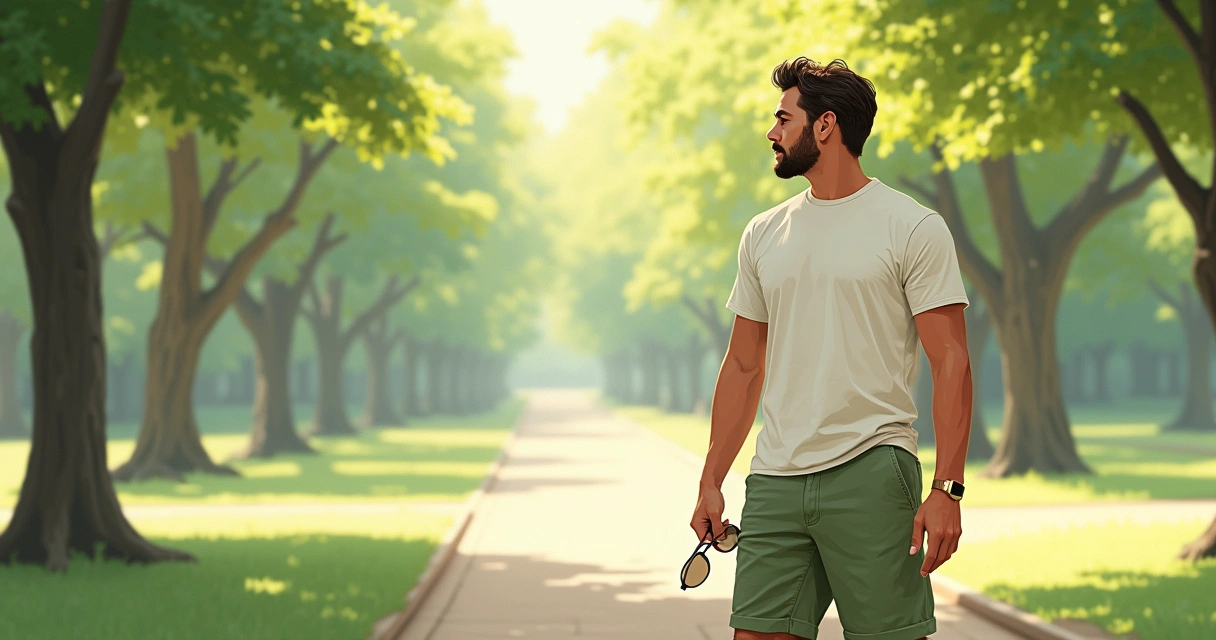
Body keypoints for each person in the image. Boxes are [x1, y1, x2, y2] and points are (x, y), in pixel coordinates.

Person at [691, 57, 973, 640]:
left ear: (824, 126)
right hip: (775, 480)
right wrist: (712, 478)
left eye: (782, 118)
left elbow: (951, 361)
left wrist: (947, 489)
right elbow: (743, 364)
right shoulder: (763, 233)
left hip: (871, 471)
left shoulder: (912, 227)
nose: (771, 133)